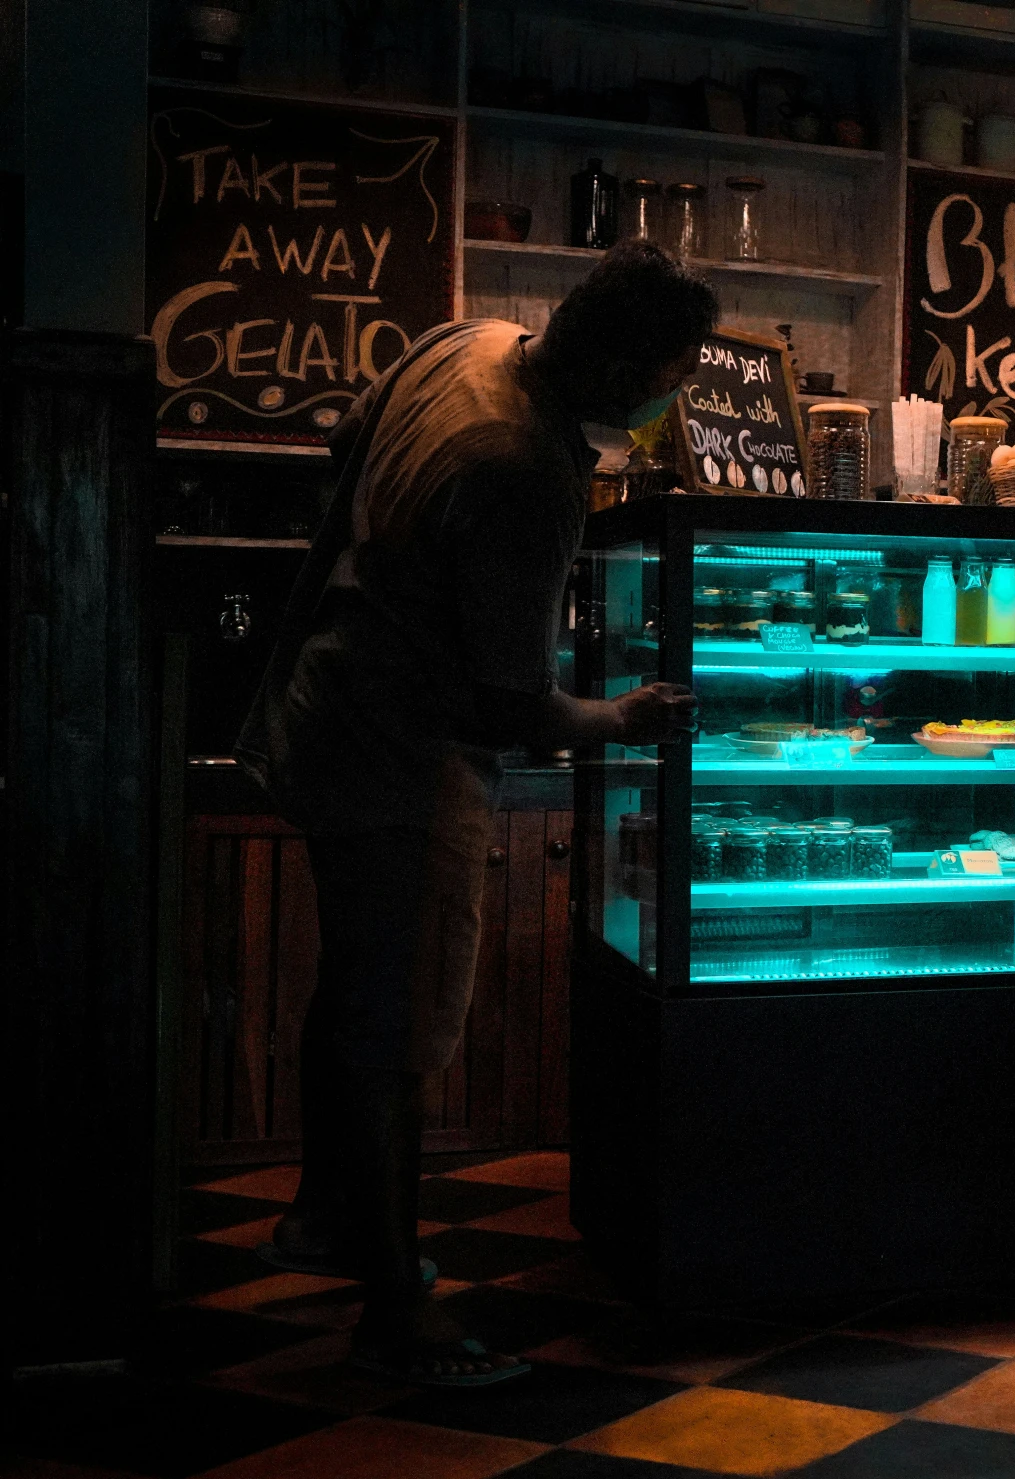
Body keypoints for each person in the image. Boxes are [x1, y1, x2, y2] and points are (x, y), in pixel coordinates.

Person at [235, 241, 714, 1387]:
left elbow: (346, 444)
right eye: (667, 377)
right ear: (614, 366)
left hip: (322, 709)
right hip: (406, 761)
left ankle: (324, 1219)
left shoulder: (472, 340)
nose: (669, 401)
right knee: (398, 1025)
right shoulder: (521, 463)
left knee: (354, 987)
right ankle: (397, 1315)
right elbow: (509, 700)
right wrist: (624, 713)